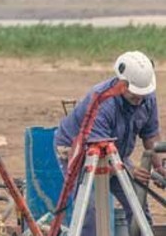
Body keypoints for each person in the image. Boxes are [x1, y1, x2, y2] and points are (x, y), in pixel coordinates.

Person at [54, 51, 161, 235]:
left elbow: (151, 135)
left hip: (115, 154)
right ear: (122, 83)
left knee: (138, 206)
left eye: (142, 95)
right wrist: (132, 171)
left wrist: (161, 165)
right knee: (89, 211)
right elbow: (99, 156)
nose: (139, 100)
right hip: (80, 152)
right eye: (135, 94)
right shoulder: (102, 103)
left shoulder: (146, 97)